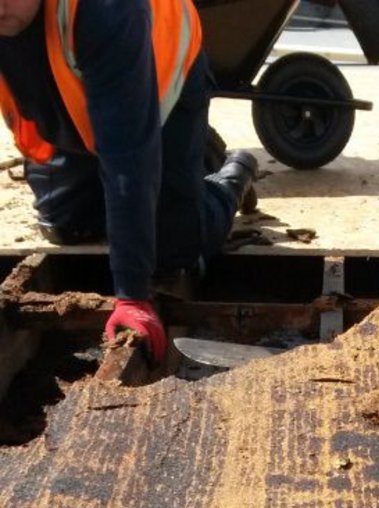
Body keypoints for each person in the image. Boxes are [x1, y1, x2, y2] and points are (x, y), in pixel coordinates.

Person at [0, 0, 258, 362]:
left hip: (162, 81)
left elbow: (126, 156)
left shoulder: (105, 9)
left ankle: (231, 172)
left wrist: (132, 296)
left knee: (169, 249)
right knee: (65, 225)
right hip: (77, 112)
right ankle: (188, 157)